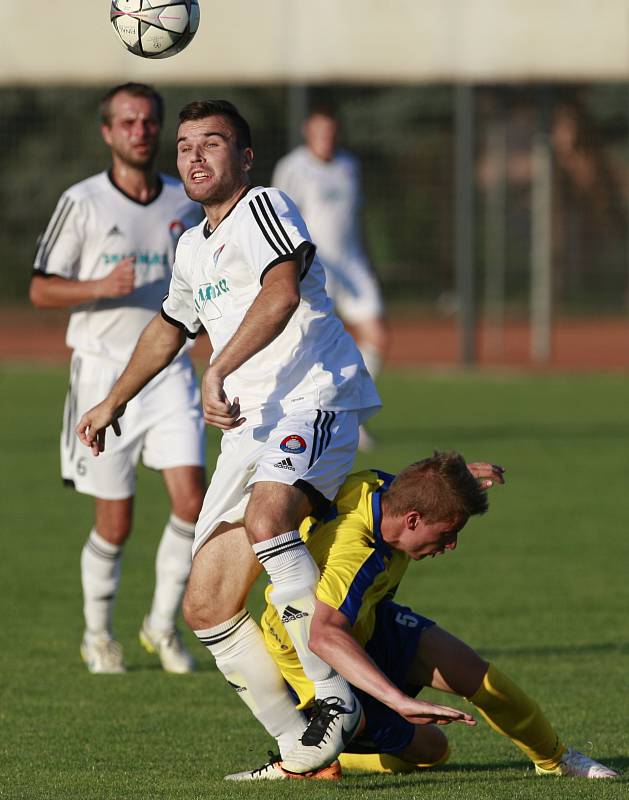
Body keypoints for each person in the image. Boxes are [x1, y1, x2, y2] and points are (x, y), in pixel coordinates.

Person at [75, 99, 387, 774]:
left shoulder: (265, 206)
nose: (192, 155)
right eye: (184, 145)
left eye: (211, 144)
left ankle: (337, 698)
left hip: (314, 399)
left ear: (243, 157)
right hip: (250, 428)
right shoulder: (192, 244)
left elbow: (279, 291)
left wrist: (218, 365)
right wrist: (111, 400)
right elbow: (168, 326)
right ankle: (298, 749)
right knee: (206, 606)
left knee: (271, 517)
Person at [226, 452, 618, 781]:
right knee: (433, 750)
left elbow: (418, 483)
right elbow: (323, 636)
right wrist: (398, 701)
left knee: (473, 672)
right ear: (413, 520)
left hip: (366, 619)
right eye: (447, 533)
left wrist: (458, 480)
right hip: (322, 661)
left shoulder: (381, 490)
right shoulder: (356, 553)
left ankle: (557, 761)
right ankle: (320, 753)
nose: (451, 544)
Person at [29, 83, 206, 675]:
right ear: (108, 132)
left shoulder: (184, 202)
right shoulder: (83, 202)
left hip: (170, 370)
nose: (140, 131)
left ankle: (162, 625)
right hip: (103, 376)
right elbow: (40, 287)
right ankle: (98, 634)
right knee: (116, 521)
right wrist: (99, 287)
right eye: (127, 122)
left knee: (193, 502)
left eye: (149, 121)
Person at [272, 108, 388, 451]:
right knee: (306, 342)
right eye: (320, 131)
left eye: (331, 131)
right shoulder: (293, 167)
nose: (326, 138)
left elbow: (355, 218)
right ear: (308, 132)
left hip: (353, 266)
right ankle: (297, 415)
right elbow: (279, 217)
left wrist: (369, 259)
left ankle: (353, 415)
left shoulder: (349, 166)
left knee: (378, 337)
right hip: (315, 267)